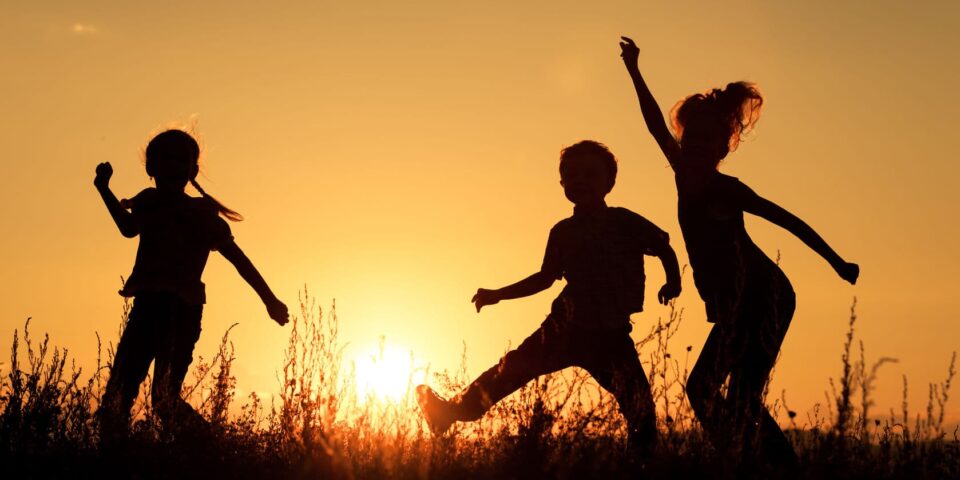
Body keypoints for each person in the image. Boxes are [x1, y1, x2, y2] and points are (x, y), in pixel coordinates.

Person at [618, 36, 859, 467]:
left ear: (722, 148)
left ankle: (768, 466)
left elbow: (788, 220)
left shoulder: (727, 190)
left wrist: (836, 261)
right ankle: (748, 460)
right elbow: (655, 124)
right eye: (690, 137)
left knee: (732, 395)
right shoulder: (681, 175)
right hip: (735, 304)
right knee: (711, 393)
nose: (694, 146)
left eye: (707, 140)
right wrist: (634, 71)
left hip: (766, 298)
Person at [416, 140, 682, 453]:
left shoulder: (625, 221)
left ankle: (644, 463)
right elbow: (544, 278)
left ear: (610, 181)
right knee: (509, 371)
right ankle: (448, 413)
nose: (580, 181)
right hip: (565, 328)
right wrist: (498, 294)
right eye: (571, 176)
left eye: (590, 174)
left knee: (640, 407)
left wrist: (673, 281)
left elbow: (663, 246)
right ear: (562, 184)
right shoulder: (563, 232)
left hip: (611, 335)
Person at [94, 129, 289, 444]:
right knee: (117, 397)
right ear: (151, 168)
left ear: (192, 171)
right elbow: (128, 228)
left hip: (181, 313)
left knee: (163, 401)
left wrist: (270, 300)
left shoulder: (201, 215)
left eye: (179, 160)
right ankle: (113, 462)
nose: (171, 166)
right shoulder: (148, 202)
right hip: (146, 309)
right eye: (164, 159)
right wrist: (103, 189)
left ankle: (213, 453)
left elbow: (239, 260)